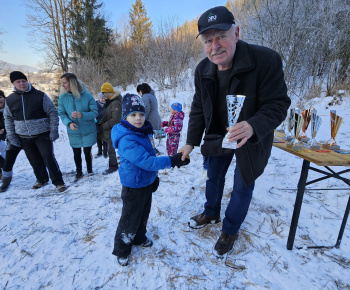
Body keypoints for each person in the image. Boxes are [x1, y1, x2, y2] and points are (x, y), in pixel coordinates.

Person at [179, 6, 290, 257]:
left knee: (242, 185)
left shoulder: (266, 60)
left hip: (250, 139)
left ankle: (230, 229)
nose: (215, 46)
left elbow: (278, 104)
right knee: (214, 177)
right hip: (218, 137)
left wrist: (253, 125)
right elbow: (198, 107)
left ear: (236, 33)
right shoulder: (202, 70)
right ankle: (210, 212)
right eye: (208, 40)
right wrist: (190, 142)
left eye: (221, 36)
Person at [111, 94, 190, 266]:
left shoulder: (142, 132)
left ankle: (139, 238)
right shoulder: (127, 138)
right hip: (133, 186)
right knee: (130, 217)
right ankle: (122, 249)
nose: (138, 118)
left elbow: (149, 159)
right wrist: (172, 160)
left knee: (143, 213)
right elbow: (146, 162)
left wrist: (152, 178)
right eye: (133, 115)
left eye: (141, 114)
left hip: (145, 182)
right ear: (125, 117)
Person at [4, 71, 67, 192]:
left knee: (48, 157)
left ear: (27, 81)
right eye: (18, 82)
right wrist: (11, 135)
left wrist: (53, 130)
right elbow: (8, 118)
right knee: (34, 160)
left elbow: (53, 112)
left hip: (42, 134)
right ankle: (42, 179)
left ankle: (59, 182)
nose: (22, 83)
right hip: (23, 136)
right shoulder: (10, 99)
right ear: (13, 83)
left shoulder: (40, 95)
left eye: (23, 81)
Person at [58, 73, 98, 180]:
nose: (63, 86)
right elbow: (62, 113)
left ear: (72, 83)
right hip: (74, 130)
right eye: (62, 83)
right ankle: (79, 172)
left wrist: (82, 115)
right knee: (76, 152)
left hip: (88, 129)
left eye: (65, 83)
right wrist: (69, 123)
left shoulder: (87, 96)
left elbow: (94, 112)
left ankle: (89, 170)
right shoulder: (62, 97)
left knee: (87, 151)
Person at [99, 83, 122, 175]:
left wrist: (104, 125)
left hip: (113, 130)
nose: (103, 95)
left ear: (108, 92)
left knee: (111, 149)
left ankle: (113, 166)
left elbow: (115, 119)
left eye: (104, 93)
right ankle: (113, 165)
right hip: (110, 130)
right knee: (110, 149)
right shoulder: (110, 101)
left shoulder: (115, 102)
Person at [95, 92, 108, 158]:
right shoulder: (95, 104)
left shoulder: (107, 104)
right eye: (102, 98)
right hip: (97, 123)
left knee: (105, 139)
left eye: (104, 98)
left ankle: (105, 152)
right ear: (99, 98)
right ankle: (100, 152)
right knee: (98, 139)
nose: (103, 99)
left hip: (104, 124)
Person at [0, 91, 6, 177]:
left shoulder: (10, 107)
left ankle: (5, 170)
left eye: (0, 97)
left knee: (5, 153)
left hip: (11, 133)